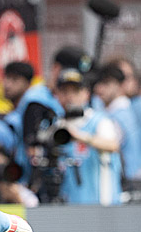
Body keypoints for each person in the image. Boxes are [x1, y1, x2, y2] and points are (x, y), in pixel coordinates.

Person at [4, 45, 91, 186]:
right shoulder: (37, 99)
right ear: (57, 69)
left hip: (68, 178)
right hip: (35, 178)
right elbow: (31, 144)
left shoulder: (74, 102)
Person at [51, 68, 123, 206]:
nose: (70, 97)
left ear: (86, 94)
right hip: (69, 205)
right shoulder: (56, 125)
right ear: (57, 95)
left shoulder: (99, 120)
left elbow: (113, 145)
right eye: (65, 92)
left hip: (102, 204)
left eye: (75, 91)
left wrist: (79, 136)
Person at [92, 63, 141, 180]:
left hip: (128, 180)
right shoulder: (127, 110)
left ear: (121, 85)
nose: (100, 89)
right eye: (98, 83)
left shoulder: (118, 116)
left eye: (106, 83)